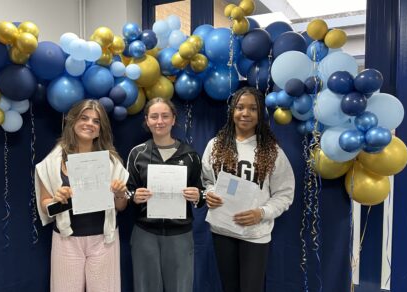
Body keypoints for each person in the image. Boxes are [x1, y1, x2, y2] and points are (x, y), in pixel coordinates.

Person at [201, 87, 295, 292]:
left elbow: (285, 194)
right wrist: (209, 194)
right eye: (240, 107)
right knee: (229, 288)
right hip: (222, 229)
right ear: (232, 111)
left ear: (260, 114)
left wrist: (262, 213)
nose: (245, 113)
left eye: (253, 109)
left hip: (255, 234)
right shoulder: (215, 146)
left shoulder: (271, 151)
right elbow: (207, 181)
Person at [35, 99, 129, 292]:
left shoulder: (112, 162)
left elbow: (121, 207)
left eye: (96, 121)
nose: (90, 124)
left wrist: (120, 194)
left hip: (104, 239)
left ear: (101, 129)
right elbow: (45, 204)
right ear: (73, 121)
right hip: (66, 238)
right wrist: (56, 200)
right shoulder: (52, 161)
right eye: (84, 118)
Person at [126, 97, 205, 292]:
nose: (159, 121)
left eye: (165, 116)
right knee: (145, 288)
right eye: (154, 116)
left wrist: (197, 196)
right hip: (145, 233)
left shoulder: (190, 155)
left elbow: (202, 193)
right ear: (147, 120)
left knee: (181, 287)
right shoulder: (138, 153)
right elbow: (127, 191)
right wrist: (134, 196)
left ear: (173, 119)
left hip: (180, 234)